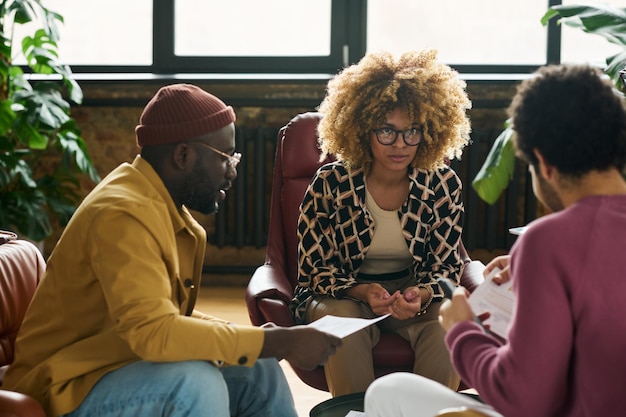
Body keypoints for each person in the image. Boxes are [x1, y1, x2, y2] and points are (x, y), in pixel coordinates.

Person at [3, 83, 342, 417]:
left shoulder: (159, 208)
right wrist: (279, 343)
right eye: (226, 157)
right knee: (194, 382)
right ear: (183, 155)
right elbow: (154, 332)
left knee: (259, 369)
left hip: (114, 365)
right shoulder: (122, 214)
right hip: (63, 389)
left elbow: (165, 316)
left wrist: (258, 343)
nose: (232, 171)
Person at [364, 63, 626, 417]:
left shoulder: (547, 241)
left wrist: (462, 330)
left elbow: (523, 398)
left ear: (544, 164)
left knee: (388, 391)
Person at [289, 49, 472, 397]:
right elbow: (315, 271)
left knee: (449, 323)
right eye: (386, 131)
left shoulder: (443, 184)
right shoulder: (330, 183)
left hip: (411, 295)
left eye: (412, 132)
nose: (400, 144)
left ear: (430, 132)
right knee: (343, 320)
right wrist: (360, 291)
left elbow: (447, 267)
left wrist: (422, 293)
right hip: (342, 295)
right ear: (361, 130)